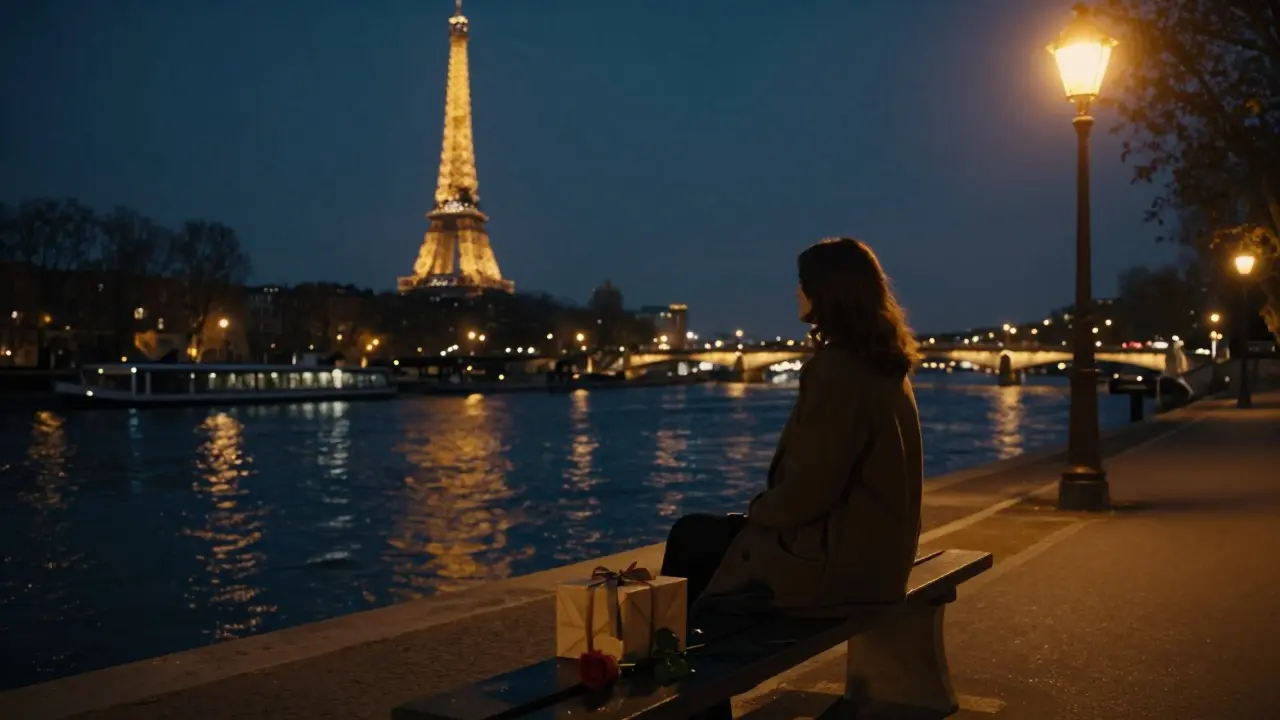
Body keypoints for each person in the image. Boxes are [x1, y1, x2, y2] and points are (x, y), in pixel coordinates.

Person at [660, 237, 924, 718]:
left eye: (803, 284)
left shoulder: (837, 368)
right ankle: (691, 689)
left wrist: (757, 512)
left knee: (691, 546)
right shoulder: (887, 364)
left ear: (823, 294)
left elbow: (808, 493)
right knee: (704, 542)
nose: (796, 294)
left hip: (839, 567)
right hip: (878, 555)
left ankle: (687, 697)